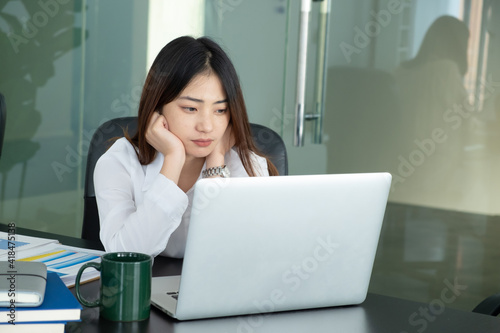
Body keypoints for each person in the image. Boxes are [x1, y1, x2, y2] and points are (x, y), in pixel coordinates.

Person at [94, 36, 279, 258]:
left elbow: (239, 257)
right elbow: (126, 256)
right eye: (190, 108)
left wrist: (216, 165)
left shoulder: (246, 166)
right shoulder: (118, 162)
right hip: (143, 289)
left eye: (220, 110)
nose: (207, 126)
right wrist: (173, 159)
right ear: (157, 105)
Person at [392, 16, 471, 208]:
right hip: (435, 168)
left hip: (401, 165)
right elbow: (465, 120)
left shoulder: (401, 71)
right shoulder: (446, 71)